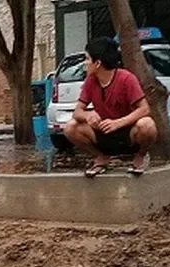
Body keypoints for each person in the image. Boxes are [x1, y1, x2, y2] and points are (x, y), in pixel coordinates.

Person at [63, 37, 158, 177]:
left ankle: (140, 156)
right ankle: (100, 158)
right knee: (70, 127)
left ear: (98, 63)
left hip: (127, 132)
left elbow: (144, 109)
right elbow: (77, 112)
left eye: (87, 59)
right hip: (103, 131)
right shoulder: (91, 81)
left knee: (147, 125)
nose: (85, 63)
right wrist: (88, 116)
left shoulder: (126, 78)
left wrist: (118, 123)